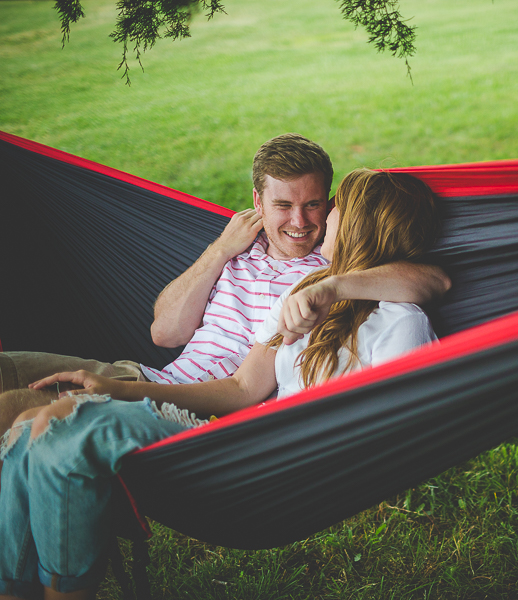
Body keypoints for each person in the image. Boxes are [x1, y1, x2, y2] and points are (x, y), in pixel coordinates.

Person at [0, 169, 442, 600]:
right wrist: (117, 389)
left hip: (284, 462)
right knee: (31, 422)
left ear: (361, 224)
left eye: (335, 206)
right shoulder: (303, 297)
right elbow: (241, 388)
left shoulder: (400, 324)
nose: (322, 217)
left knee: (62, 426)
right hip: (231, 438)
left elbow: (393, 424)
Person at [0, 133, 450, 434]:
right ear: (257, 201)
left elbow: (431, 279)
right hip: (151, 377)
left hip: (192, 407)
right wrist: (219, 251)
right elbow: (165, 333)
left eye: (315, 205)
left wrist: (330, 286)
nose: (300, 222)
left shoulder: (332, 272)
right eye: (282, 205)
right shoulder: (237, 250)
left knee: (21, 412)